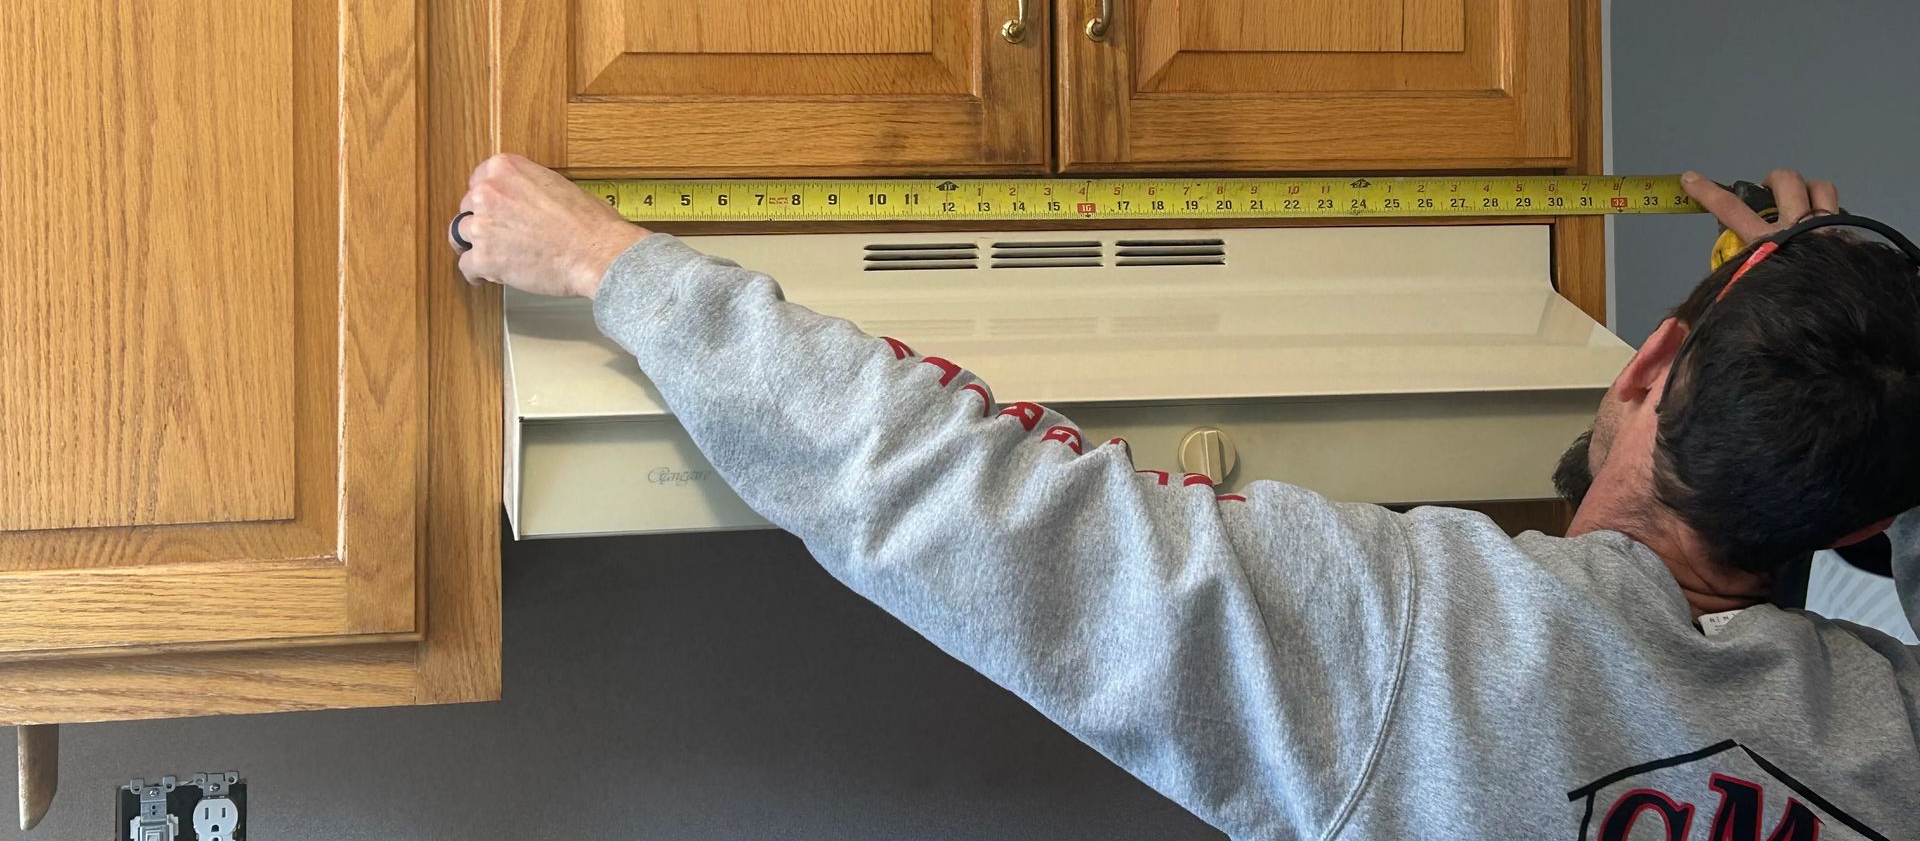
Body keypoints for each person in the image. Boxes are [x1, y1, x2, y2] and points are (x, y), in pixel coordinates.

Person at [450, 158, 1919, 840]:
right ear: (1868, 526)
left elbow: (965, 495)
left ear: (1648, 361)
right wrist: (1850, 377)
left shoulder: (1425, 638)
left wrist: (609, 265)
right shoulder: (1894, 737)